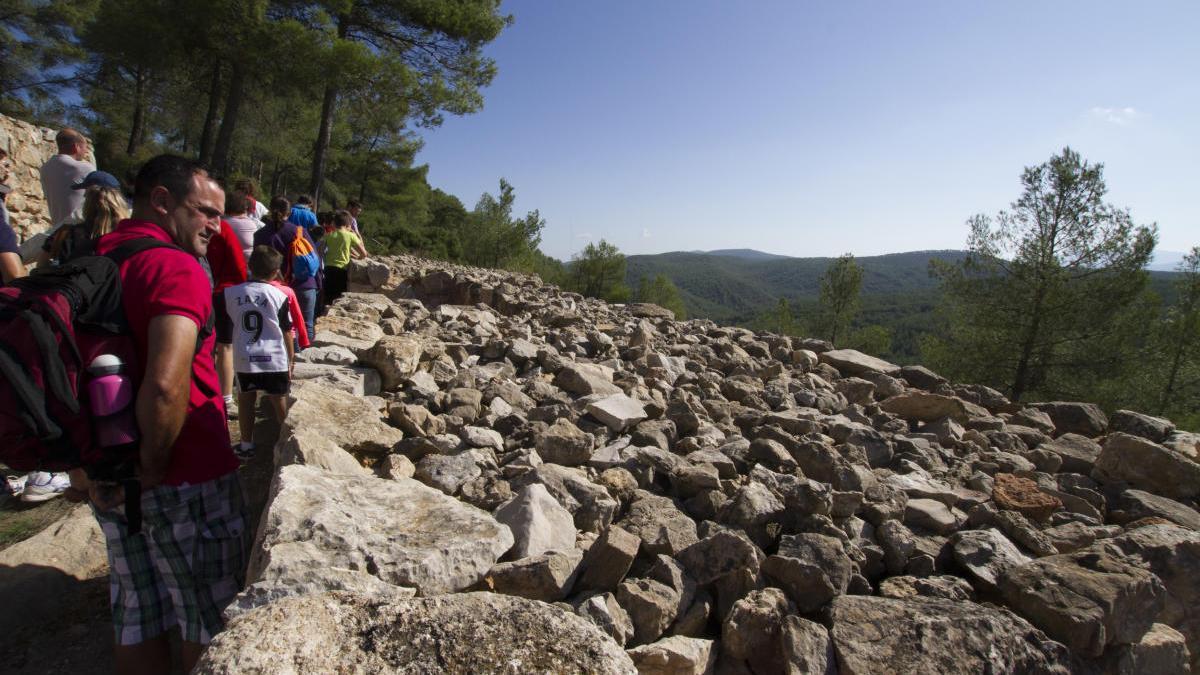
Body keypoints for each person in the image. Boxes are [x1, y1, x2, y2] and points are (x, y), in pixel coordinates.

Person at [88, 154, 245, 675]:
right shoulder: (173, 266)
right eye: (204, 212)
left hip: (111, 468)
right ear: (161, 200)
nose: (215, 228)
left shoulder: (97, 255)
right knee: (208, 618)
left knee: (136, 610)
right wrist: (151, 467)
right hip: (183, 474)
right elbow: (163, 385)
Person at [217, 246, 294, 460]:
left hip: (245, 357)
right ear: (275, 271)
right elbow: (287, 330)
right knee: (279, 401)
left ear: (249, 267)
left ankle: (246, 444)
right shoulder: (278, 295)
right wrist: (291, 358)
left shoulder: (230, 294)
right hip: (273, 357)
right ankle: (289, 442)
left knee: (245, 399)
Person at [255, 196, 319, 340]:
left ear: (270, 211)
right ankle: (303, 359)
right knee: (305, 325)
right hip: (303, 285)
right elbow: (314, 258)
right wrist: (318, 284)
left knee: (277, 328)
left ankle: (285, 360)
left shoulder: (259, 235)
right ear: (289, 214)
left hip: (273, 288)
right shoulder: (299, 232)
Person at [36, 171, 129, 268]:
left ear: (89, 201)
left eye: (86, 194)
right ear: (118, 200)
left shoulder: (65, 235)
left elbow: (40, 266)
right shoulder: (130, 238)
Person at [207, 209, 249, 420]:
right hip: (224, 291)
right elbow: (238, 262)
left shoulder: (182, 223)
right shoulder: (222, 229)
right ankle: (225, 397)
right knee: (225, 345)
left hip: (197, 287)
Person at [39, 128, 96, 228]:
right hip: (81, 230)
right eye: (84, 148)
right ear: (76, 147)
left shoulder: (45, 168)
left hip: (57, 230)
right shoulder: (84, 168)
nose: (86, 151)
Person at [323, 209, 368, 305]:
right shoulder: (350, 235)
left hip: (328, 268)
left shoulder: (328, 235)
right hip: (342, 269)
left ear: (334, 223)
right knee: (338, 298)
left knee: (327, 296)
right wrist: (357, 258)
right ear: (348, 224)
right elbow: (364, 253)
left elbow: (320, 251)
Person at [224, 189, 260, 260]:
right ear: (244, 207)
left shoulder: (222, 222)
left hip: (229, 263)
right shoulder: (253, 223)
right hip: (250, 265)